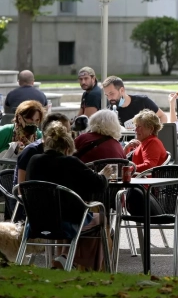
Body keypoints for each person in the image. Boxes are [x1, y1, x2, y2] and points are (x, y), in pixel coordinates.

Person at [25, 121, 113, 270]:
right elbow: (98, 184)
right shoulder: (71, 162)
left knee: (73, 213)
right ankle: (88, 266)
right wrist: (104, 175)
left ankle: (65, 258)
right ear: (67, 149)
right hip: (65, 222)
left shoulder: (34, 161)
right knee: (99, 217)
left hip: (36, 221)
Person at [8, 113, 70, 222]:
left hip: (50, 204)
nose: (69, 135)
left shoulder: (60, 150)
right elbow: (21, 189)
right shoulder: (32, 151)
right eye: (66, 131)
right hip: (26, 208)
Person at [102, 76, 167, 127]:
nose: (109, 98)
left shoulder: (142, 102)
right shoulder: (111, 112)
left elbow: (162, 116)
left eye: (111, 94)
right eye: (107, 95)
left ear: (122, 90)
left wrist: (156, 136)